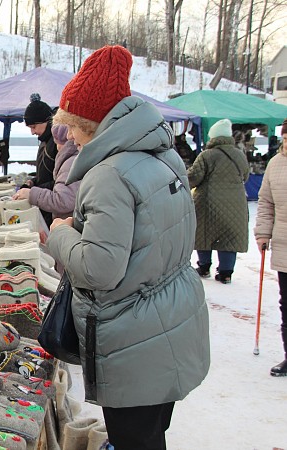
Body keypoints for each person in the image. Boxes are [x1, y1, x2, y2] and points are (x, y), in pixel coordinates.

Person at [47, 45, 210, 449]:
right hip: (168, 323)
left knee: (136, 438)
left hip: (132, 338)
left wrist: (61, 234)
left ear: (92, 122)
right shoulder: (163, 155)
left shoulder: (110, 174)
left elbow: (100, 267)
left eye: (74, 123)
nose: (69, 134)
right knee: (152, 434)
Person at [187, 118, 250, 284]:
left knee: (203, 232)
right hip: (235, 202)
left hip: (208, 202)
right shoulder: (239, 155)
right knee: (229, 236)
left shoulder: (207, 155)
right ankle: (226, 273)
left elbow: (194, 178)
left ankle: (204, 266)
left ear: (213, 137)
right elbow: (246, 176)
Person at [254, 118, 287, 377]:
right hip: (284, 246)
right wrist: (264, 233)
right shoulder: (275, 165)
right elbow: (265, 203)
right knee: (286, 305)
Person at [12, 122, 80, 225]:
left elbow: (63, 201)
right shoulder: (72, 160)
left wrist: (30, 193)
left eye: (56, 142)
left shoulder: (70, 163)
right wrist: (34, 182)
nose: (56, 147)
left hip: (67, 225)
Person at [21, 93, 58, 227]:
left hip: (54, 211)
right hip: (45, 204)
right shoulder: (45, 141)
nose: (32, 132)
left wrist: (35, 189)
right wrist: (32, 182)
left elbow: (61, 183)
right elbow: (46, 174)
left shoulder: (57, 143)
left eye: (33, 127)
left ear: (46, 121)